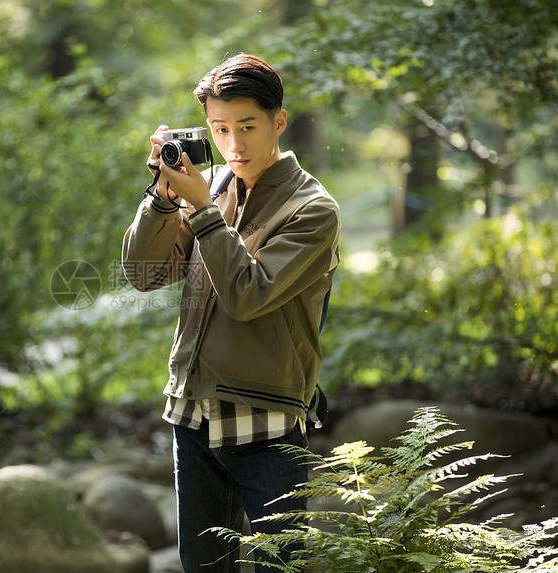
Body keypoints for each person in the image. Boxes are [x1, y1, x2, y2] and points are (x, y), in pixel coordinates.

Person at [121, 53, 341, 571]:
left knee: (278, 567)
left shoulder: (312, 209)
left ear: (278, 121)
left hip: (266, 424)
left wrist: (199, 210)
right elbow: (144, 273)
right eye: (220, 129)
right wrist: (161, 196)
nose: (234, 145)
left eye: (247, 126)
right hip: (193, 415)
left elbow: (247, 294)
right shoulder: (213, 186)